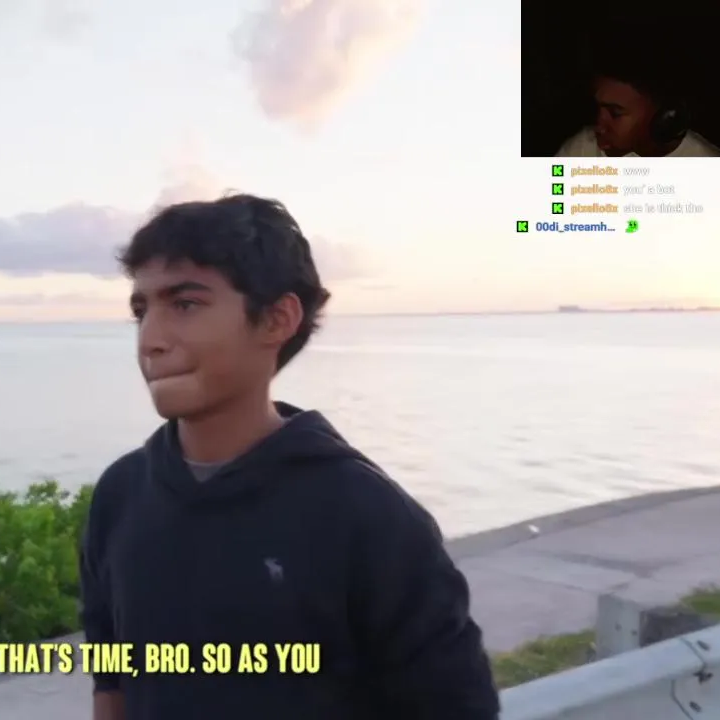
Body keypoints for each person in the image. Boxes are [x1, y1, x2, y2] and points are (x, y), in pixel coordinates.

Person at [78, 193, 500, 719]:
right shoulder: (120, 495)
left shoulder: (368, 517)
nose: (151, 340)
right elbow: (112, 675)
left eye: (184, 305)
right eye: (141, 310)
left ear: (277, 319)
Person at [555, 67, 720, 157]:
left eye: (615, 113)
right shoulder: (582, 148)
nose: (599, 126)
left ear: (665, 117)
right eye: (597, 108)